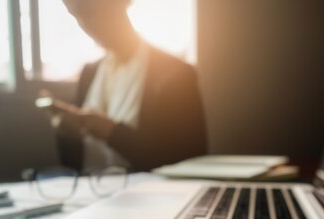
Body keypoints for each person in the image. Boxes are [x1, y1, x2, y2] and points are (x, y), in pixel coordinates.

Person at [39, 0, 208, 172]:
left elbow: (190, 157)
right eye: (76, 15)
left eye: (90, 11)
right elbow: (74, 166)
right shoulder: (89, 74)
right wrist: (68, 135)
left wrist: (112, 133)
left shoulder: (176, 73)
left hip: (151, 195)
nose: (85, 24)